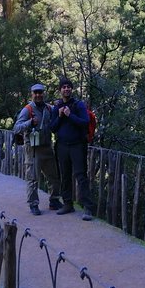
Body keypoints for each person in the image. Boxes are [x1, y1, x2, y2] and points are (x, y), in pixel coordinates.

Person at [49, 76, 96, 221]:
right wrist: (60, 116)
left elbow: (84, 122)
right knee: (65, 175)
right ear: (60, 90)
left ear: (71, 89)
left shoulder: (78, 105)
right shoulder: (57, 107)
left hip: (77, 145)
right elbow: (52, 127)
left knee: (81, 176)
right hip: (62, 146)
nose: (66, 89)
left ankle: (87, 208)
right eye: (63, 87)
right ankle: (68, 204)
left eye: (68, 86)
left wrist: (70, 115)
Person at [13, 83, 63, 216]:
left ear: (43, 93)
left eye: (40, 92)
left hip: (47, 147)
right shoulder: (27, 109)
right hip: (33, 150)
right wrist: (30, 123)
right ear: (32, 94)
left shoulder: (49, 108)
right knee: (33, 178)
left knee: (54, 177)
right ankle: (33, 204)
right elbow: (16, 128)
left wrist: (59, 105)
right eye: (35, 93)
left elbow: (58, 114)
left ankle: (54, 200)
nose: (38, 95)